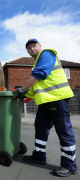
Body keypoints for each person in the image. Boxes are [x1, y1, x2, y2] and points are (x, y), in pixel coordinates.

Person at [18, 39, 78, 177]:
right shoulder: (37, 63)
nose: (32, 49)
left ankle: (69, 165)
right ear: (27, 51)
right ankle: (39, 156)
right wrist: (22, 96)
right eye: (29, 48)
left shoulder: (46, 54)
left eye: (34, 46)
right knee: (40, 127)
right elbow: (36, 87)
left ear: (40, 46)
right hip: (45, 102)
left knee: (63, 131)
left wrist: (21, 89)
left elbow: (39, 75)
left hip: (57, 98)